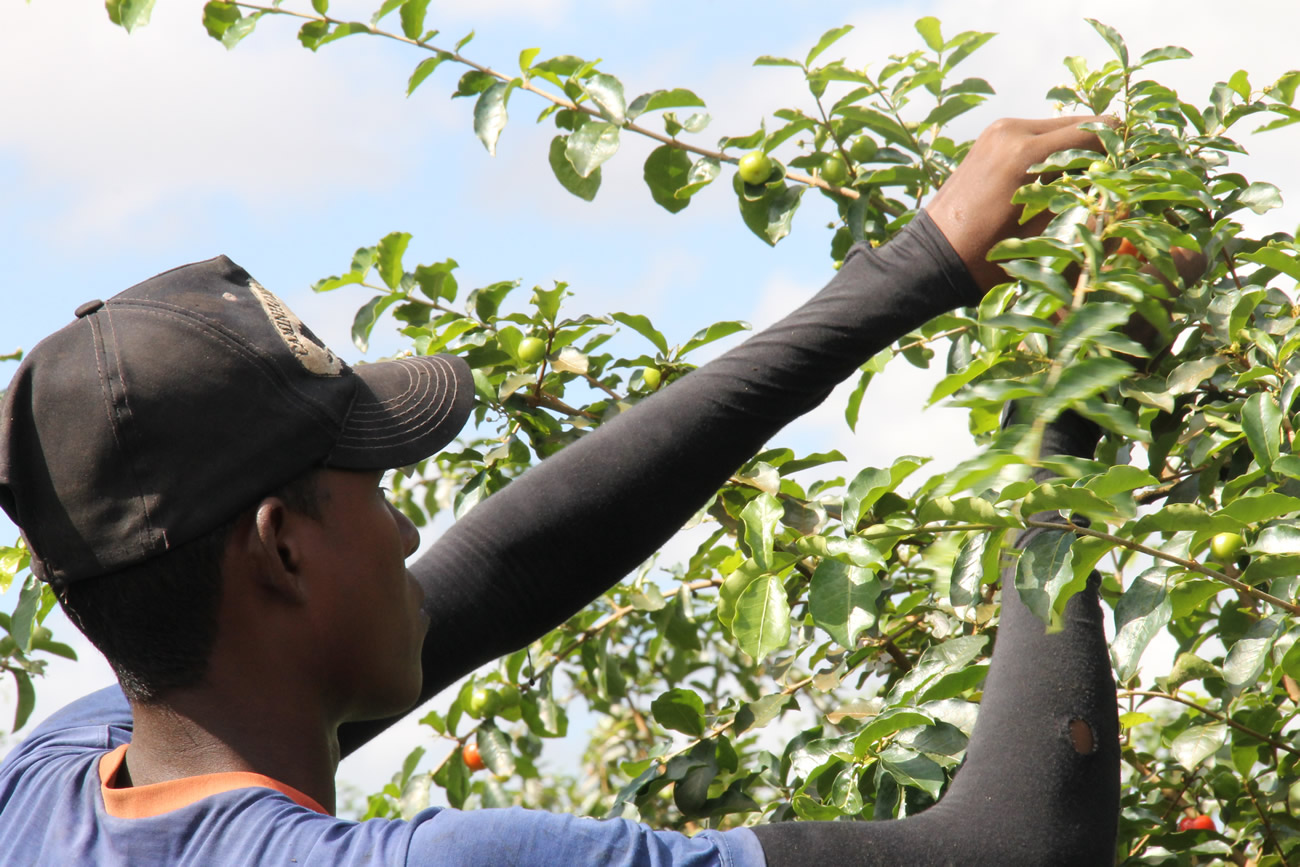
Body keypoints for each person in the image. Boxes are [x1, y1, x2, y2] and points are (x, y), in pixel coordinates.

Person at [0, 117, 1122, 865]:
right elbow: (1018, 847)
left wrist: (920, 267)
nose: (407, 529)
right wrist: (1071, 408)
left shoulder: (43, 796)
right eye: (372, 488)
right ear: (283, 547)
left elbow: (503, 571)